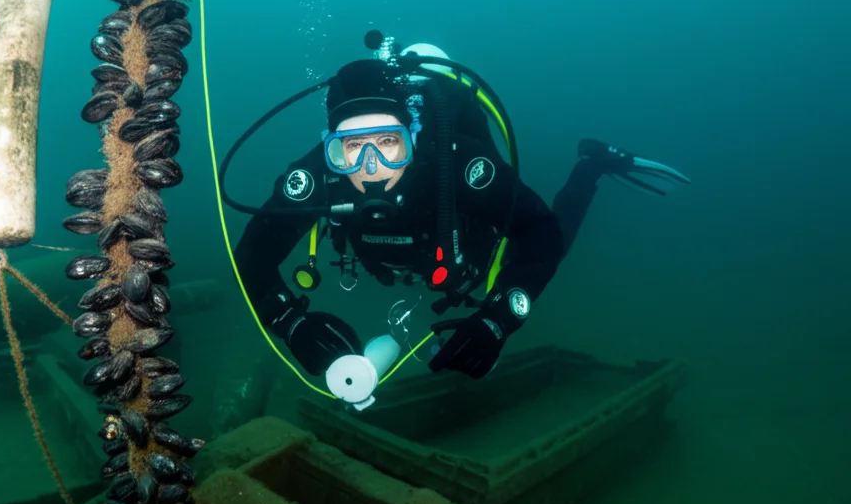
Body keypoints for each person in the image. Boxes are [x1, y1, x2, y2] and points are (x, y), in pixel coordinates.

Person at [230, 34, 690, 380]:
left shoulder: (457, 161)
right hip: (408, 265)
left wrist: (497, 319)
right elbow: (252, 252)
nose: (372, 167)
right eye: (351, 148)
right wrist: (288, 322)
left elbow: (540, 232)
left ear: (413, 140)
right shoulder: (316, 177)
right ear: (329, 150)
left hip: (468, 253)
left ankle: (591, 166)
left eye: (389, 143)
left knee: (556, 241)